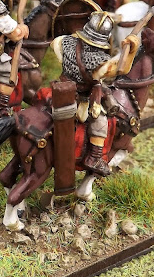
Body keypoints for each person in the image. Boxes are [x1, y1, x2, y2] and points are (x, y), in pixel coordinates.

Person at [51, 10, 139, 176]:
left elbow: (54, 43)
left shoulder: (63, 42)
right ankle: (94, 157)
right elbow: (121, 69)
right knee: (101, 120)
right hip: (80, 99)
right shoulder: (99, 64)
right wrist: (132, 51)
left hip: (60, 88)